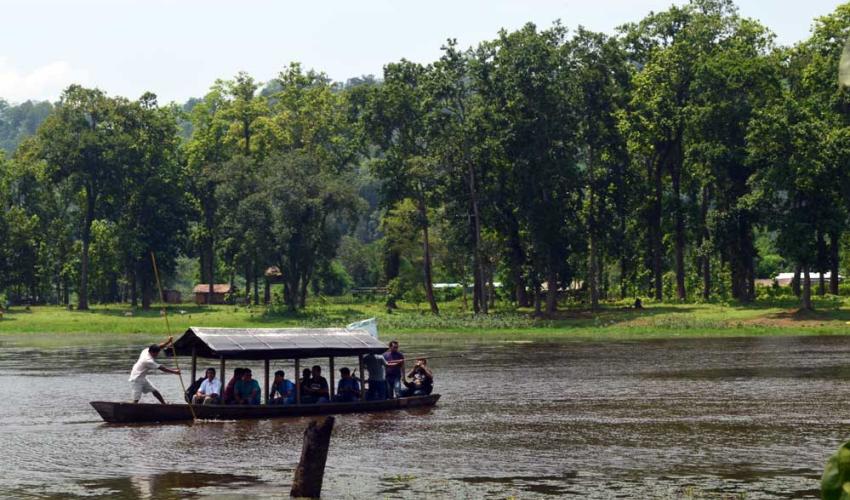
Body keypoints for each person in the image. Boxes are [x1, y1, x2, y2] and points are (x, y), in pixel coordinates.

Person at [128, 336, 181, 404]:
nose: (157, 354)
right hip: (136, 378)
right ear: (153, 352)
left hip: (142, 377)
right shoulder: (148, 360)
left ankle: (164, 404)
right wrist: (174, 372)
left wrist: (168, 342)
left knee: (154, 390)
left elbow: (159, 347)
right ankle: (131, 409)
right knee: (136, 399)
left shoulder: (146, 350)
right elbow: (162, 368)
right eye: (157, 353)